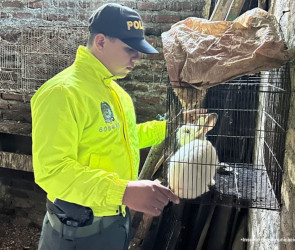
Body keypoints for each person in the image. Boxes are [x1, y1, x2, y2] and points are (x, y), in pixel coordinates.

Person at [31, 3, 191, 250]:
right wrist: (125, 191)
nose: (137, 57)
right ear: (101, 42)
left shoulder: (116, 92)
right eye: (130, 49)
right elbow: (52, 171)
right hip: (78, 233)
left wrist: (173, 127)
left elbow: (124, 138)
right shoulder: (62, 93)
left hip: (114, 221)